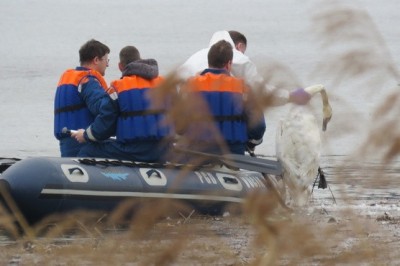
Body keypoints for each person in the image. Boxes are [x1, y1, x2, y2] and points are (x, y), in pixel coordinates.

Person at [77, 45, 172, 162]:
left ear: (120, 66)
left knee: (88, 150)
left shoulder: (118, 88)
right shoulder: (165, 85)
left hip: (134, 150)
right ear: (140, 60)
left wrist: (85, 135)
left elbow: (105, 125)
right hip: (164, 151)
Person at [178, 30, 311, 106]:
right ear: (239, 47)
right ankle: (251, 143)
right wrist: (290, 96)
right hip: (228, 135)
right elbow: (261, 91)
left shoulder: (192, 59)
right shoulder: (240, 60)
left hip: (193, 131)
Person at [179, 40, 265, 155]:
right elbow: (259, 126)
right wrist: (248, 142)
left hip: (197, 151)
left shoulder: (189, 85)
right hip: (233, 151)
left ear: (209, 62)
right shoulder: (243, 88)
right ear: (229, 64)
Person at [54, 39, 118, 157]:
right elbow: (103, 108)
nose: (108, 64)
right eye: (106, 60)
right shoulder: (88, 81)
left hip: (66, 147)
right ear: (96, 60)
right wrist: (118, 99)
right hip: (85, 145)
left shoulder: (69, 79)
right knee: (124, 148)